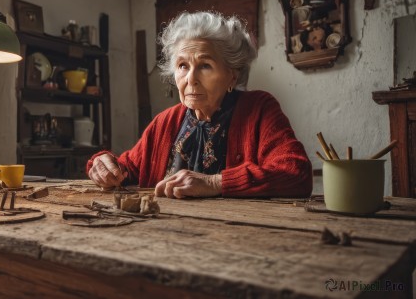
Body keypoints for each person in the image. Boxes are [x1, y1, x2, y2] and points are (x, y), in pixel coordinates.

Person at [87, 11, 312, 199]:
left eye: (205, 65)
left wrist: (215, 182)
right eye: (183, 66)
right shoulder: (166, 121)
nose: (191, 79)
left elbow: (296, 173)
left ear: (232, 76)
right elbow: (128, 167)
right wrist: (104, 165)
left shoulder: (258, 109)